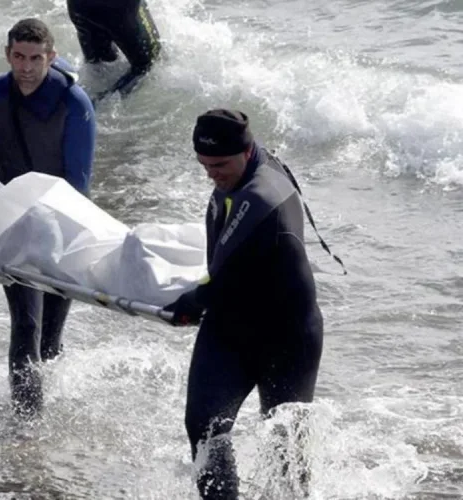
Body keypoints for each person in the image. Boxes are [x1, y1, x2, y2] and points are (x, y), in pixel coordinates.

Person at [164, 109, 328, 499]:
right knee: (204, 430)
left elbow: (215, 285)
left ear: (247, 150)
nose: (210, 174)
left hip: (288, 337)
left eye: (219, 164)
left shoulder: (260, 197)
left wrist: (187, 304)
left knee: (287, 449)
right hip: (230, 331)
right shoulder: (245, 166)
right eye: (203, 164)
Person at [0, 18, 96, 418]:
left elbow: (78, 181)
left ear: (51, 58)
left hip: (65, 223)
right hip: (14, 223)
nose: (25, 66)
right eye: (18, 56)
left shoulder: (74, 101)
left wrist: (47, 221)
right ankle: (25, 427)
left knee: (51, 337)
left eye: (35, 58)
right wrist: (5, 206)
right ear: (8, 55)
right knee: (26, 324)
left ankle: (44, 415)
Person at [66, 0, 161, 103]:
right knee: (149, 62)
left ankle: (77, 104)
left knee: (99, 63)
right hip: (118, 8)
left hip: (78, 6)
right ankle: (95, 107)